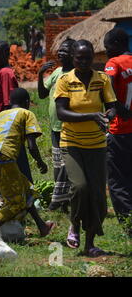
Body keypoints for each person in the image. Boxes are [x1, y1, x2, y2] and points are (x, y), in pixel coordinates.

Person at [55, 39, 117, 257]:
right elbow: (61, 113)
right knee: (80, 187)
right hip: (71, 142)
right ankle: (75, 224)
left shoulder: (102, 80)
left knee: (98, 196)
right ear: (73, 58)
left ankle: (89, 244)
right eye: (79, 58)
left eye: (88, 58)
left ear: (93, 58)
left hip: (97, 145)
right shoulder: (65, 80)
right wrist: (91, 115)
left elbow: (111, 107)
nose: (83, 61)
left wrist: (108, 116)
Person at [0, 88, 56, 236]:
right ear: (27, 102)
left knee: (27, 189)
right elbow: (31, 145)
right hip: (3, 157)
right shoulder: (25, 113)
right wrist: (40, 162)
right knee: (15, 203)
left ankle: (42, 226)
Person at [37, 38, 76, 211]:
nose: (61, 53)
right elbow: (43, 94)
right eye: (60, 50)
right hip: (55, 127)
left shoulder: (76, 74)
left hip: (69, 127)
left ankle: (57, 200)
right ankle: (63, 201)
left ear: (73, 54)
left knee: (66, 165)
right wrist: (40, 75)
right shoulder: (57, 71)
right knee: (57, 163)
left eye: (65, 51)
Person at [0, 40, 32, 184]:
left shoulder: (5, 73)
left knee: (18, 162)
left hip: (5, 125)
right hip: (1, 124)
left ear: (5, 55)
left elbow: (9, 103)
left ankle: (29, 197)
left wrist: (6, 128)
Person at [103, 28, 132, 237]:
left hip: (120, 129)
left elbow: (109, 91)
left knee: (117, 180)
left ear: (115, 44)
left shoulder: (114, 63)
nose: (105, 52)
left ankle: (128, 226)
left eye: (107, 47)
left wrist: (118, 109)